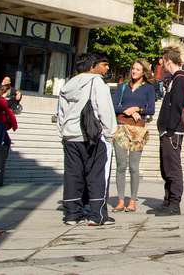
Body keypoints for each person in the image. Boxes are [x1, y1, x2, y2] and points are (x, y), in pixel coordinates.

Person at [56, 53, 117, 226]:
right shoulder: (96, 81)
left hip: (70, 135)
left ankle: (72, 214)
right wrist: (110, 131)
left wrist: (62, 130)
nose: (106, 69)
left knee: (73, 174)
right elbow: (104, 108)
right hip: (90, 135)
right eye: (103, 65)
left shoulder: (68, 84)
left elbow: (60, 111)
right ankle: (97, 214)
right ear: (92, 66)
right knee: (96, 174)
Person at [112, 59, 155, 213]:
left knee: (133, 167)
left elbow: (151, 109)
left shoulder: (149, 88)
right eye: (133, 68)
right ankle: (120, 200)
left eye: (137, 69)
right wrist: (127, 110)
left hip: (138, 130)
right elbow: (114, 105)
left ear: (143, 72)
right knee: (121, 166)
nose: (134, 71)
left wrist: (138, 109)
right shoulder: (123, 86)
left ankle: (132, 200)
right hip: (121, 127)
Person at [153, 46, 184, 216]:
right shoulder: (176, 79)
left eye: (164, 62)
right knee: (166, 167)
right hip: (169, 131)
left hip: (173, 132)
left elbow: (177, 106)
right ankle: (168, 200)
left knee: (173, 168)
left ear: (169, 61)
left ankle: (174, 204)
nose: (163, 66)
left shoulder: (181, 79)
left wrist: (169, 129)